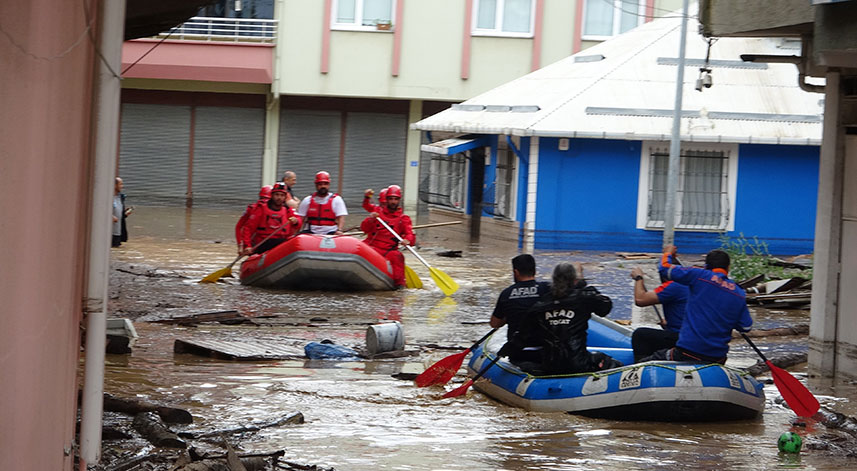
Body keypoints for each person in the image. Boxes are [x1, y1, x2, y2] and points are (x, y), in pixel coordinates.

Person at [640, 245, 753, 364]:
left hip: (688, 352)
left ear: (706, 266)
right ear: (728, 268)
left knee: (644, 353)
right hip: (718, 358)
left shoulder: (700, 275)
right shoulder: (739, 293)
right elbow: (745, 327)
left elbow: (665, 268)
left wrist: (667, 253)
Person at [526, 262, 621, 375]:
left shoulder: (541, 304)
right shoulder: (583, 298)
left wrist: (506, 352)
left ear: (553, 280)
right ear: (574, 280)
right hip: (579, 363)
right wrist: (582, 283)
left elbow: (522, 335)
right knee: (609, 361)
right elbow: (604, 308)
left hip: (550, 365)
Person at [489, 254, 551, 367]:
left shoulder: (507, 293)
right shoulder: (547, 289)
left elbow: (494, 324)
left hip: (518, 353)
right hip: (545, 351)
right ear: (535, 271)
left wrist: (509, 315)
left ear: (516, 272)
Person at [629, 265, 689, 362]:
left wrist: (638, 278)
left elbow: (640, 300)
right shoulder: (696, 286)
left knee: (640, 335)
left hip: (682, 338)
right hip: (694, 336)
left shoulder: (675, 286)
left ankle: (641, 368)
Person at [360, 185, 414, 288]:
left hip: (388, 250)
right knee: (359, 249)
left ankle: (399, 287)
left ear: (399, 200)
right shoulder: (377, 213)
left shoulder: (403, 218)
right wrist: (370, 219)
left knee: (398, 256)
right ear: (386, 199)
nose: (393, 202)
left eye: (396, 199)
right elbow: (364, 229)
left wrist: (407, 240)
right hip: (372, 247)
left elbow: (409, 233)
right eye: (390, 199)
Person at [240, 182, 302, 255]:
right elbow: (248, 228)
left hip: (280, 243)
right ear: (272, 195)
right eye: (277, 195)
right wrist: (247, 245)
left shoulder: (288, 210)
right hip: (263, 243)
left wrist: (296, 221)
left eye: (282, 195)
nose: (279, 198)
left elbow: (299, 222)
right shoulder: (261, 209)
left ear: (285, 197)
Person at [296, 171, 348, 235]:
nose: (323, 186)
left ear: (329, 185)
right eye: (320, 184)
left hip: (331, 232)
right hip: (311, 231)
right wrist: (297, 232)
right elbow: (301, 218)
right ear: (316, 185)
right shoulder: (307, 200)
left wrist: (339, 230)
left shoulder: (337, 200)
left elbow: (341, 217)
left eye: (325, 184)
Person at [235, 185, 272, 255]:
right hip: (256, 244)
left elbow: (239, 227)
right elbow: (240, 227)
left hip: (264, 242)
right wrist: (242, 245)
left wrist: (240, 244)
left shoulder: (281, 210)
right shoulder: (252, 209)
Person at [112, 177, 132, 247]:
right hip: (109, 233)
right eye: (120, 184)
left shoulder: (120, 198)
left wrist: (125, 214)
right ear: (114, 185)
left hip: (118, 232)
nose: (122, 186)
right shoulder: (107, 197)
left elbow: (120, 215)